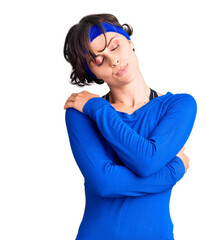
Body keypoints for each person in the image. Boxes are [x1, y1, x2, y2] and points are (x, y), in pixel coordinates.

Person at [63, 13, 197, 240]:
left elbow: (148, 160)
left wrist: (98, 109)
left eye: (115, 47)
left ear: (130, 42)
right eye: (98, 60)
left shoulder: (178, 106)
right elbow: (105, 182)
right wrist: (174, 170)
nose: (113, 61)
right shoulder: (81, 113)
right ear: (92, 72)